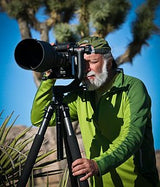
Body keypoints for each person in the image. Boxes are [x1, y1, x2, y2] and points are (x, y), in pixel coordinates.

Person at [31, 36, 159, 187]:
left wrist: (98, 164)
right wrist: (49, 77)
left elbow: (132, 136)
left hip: (136, 183)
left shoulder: (132, 88)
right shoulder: (82, 95)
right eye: (82, 63)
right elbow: (39, 118)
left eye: (92, 62)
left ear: (109, 62)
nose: (86, 68)